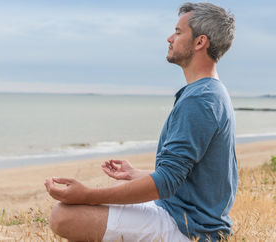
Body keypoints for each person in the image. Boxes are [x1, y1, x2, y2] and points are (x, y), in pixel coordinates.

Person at [44, 2, 237, 241]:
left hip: (189, 228)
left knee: (63, 216)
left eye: (178, 32)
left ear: (200, 42)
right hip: (180, 213)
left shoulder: (200, 100)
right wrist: (137, 174)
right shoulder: (210, 93)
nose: (169, 38)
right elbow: (189, 174)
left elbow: (166, 182)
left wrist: (88, 195)